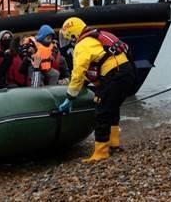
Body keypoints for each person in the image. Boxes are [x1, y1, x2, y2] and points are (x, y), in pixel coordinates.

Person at [57, 17, 134, 162]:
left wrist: (70, 96)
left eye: (70, 38)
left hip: (114, 74)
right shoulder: (97, 36)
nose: (71, 42)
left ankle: (101, 151)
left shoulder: (82, 45)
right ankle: (114, 143)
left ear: (74, 35)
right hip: (127, 71)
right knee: (112, 107)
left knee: (102, 111)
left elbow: (78, 73)